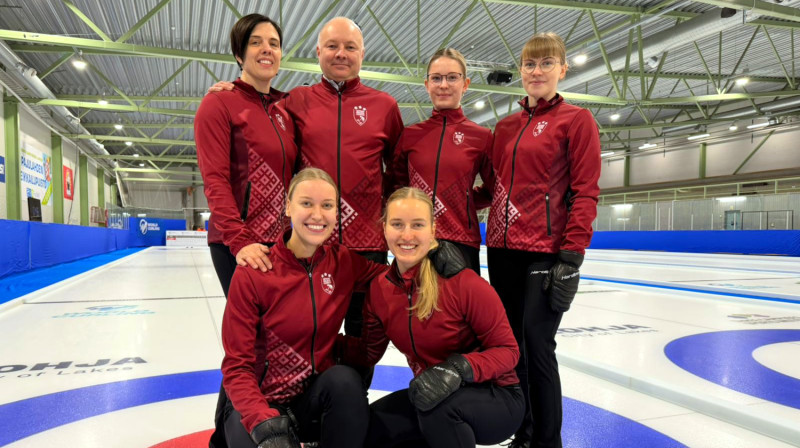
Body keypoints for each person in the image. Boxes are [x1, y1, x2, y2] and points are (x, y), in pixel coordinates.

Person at [210, 16, 404, 377]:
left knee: (363, 343)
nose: (341, 53)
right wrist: (232, 90)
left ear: (363, 54)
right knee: (304, 339)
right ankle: (308, 408)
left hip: (367, 249)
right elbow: (258, 104)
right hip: (311, 245)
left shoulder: (385, 107)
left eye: (350, 47)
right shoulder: (295, 101)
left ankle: (352, 407)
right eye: (332, 46)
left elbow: (398, 175)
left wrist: (391, 228)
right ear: (318, 52)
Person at [485, 33, 601, 448]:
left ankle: (548, 441)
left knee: (537, 345)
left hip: (544, 252)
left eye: (546, 63)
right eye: (530, 64)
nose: (537, 71)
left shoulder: (576, 120)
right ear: (521, 71)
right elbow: (494, 187)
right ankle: (525, 433)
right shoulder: (505, 127)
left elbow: (585, 191)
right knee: (511, 346)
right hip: (501, 251)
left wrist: (571, 256)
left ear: (562, 70)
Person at [340, 187, 524, 448]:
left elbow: (508, 351)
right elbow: (368, 353)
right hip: (432, 391)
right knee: (370, 429)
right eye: (397, 224)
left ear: (433, 229)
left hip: (496, 396)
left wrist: (458, 369)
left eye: (417, 225)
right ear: (384, 229)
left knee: (438, 408)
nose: (407, 235)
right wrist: (322, 345)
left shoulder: (463, 283)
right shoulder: (379, 290)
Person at [221, 168, 387, 448]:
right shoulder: (255, 271)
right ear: (288, 206)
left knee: (345, 381)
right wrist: (263, 422)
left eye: (327, 205)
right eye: (307, 203)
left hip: (309, 402)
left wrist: (428, 256)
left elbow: (393, 278)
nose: (317, 215)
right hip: (257, 405)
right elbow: (237, 367)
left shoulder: (342, 262)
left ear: (337, 213)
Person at [194, 14, 298, 448]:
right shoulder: (219, 104)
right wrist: (240, 241)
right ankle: (225, 438)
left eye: (273, 42)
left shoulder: (286, 109)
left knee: (267, 340)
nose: (266, 49)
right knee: (248, 342)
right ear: (239, 53)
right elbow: (215, 179)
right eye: (256, 42)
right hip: (237, 244)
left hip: (279, 245)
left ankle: (257, 424)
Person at [389, 48, 492, 273]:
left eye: (452, 77)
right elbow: (397, 188)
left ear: (465, 84)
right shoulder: (410, 136)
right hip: (415, 238)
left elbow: (494, 190)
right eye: (436, 78)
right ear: (427, 85)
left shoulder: (481, 137)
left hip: (462, 240)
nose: (444, 85)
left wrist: (461, 201)